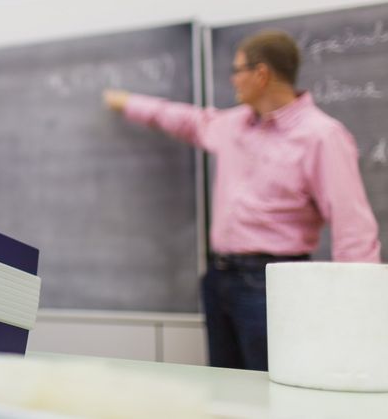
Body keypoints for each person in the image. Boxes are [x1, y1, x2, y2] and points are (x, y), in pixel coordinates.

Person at [103, 30, 381, 371]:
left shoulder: (321, 135)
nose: (233, 80)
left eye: (237, 71)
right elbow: (185, 120)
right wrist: (128, 102)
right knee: (227, 389)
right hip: (220, 278)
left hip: (272, 283)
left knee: (272, 388)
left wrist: (360, 307)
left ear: (260, 74)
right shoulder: (233, 125)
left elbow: (352, 223)